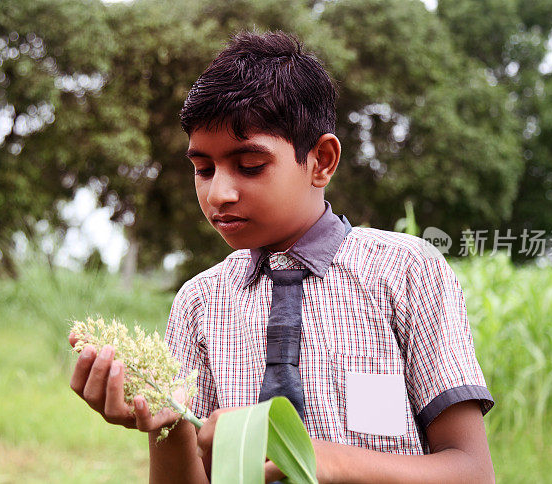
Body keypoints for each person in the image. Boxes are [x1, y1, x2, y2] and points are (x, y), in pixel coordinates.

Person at [69, 30, 495, 483]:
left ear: (322, 161)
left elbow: (472, 471)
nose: (219, 193)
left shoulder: (407, 272)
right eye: (203, 169)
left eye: (250, 165)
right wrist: (168, 422)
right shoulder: (198, 304)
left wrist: (323, 459)